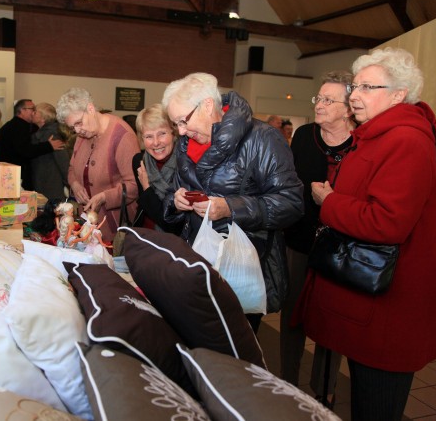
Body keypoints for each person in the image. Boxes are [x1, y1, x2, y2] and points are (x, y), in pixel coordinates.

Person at [297, 47, 436, 421]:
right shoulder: (379, 136)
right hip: (369, 299)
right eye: (354, 87)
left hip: (389, 307)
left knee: (376, 405)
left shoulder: (405, 141)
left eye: (366, 87)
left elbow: (387, 222)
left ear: (398, 94)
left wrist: (329, 202)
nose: (354, 95)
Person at [161, 72, 304, 333]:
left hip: (242, 267)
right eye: (176, 124)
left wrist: (229, 208)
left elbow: (291, 202)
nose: (181, 131)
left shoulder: (263, 139)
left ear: (206, 105)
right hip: (197, 265)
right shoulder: (186, 144)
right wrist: (176, 200)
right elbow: (172, 193)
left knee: (236, 353)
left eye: (183, 121)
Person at [281, 70, 357, 408]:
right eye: (319, 98)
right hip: (299, 239)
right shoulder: (303, 136)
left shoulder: (362, 144)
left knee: (332, 320)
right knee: (292, 312)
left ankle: (323, 389)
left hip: (340, 245)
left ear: (348, 109)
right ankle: (285, 381)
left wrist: (332, 201)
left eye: (329, 100)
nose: (320, 105)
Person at [56, 87, 141, 240]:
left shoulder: (122, 136)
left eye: (79, 123)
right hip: (88, 224)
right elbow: (71, 168)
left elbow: (135, 185)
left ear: (90, 108)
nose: (77, 130)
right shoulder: (83, 134)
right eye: (72, 127)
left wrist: (104, 197)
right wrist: (74, 184)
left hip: (114, 226)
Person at [131, 103, 182, 235]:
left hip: (175, 244)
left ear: (173, 132)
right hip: (143, 238)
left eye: (162, 134)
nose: (156, 142)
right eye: (149, 136)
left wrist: (147, 187)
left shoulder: (185, 164)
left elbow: (172, 225)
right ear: (142, 139)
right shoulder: (139, 161)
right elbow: (145, 208)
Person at [0, 99, 65, 191]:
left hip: (11, 177)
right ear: (22, 111)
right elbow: (25, 150)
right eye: (32, 109)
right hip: (13, 178)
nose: (33, 112)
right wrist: (48, 146)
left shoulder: (17, 125)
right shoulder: (19, 127)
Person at [31, 102, 70, 200]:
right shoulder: (40, 133)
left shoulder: (52, 135)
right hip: (44, 183)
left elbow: (63, 163)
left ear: (43, 118)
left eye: (35, 112)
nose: (32, 113)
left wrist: (69, 184)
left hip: (51, 186)